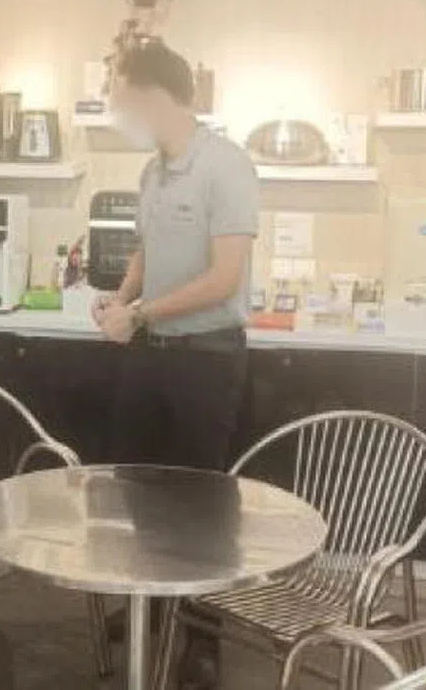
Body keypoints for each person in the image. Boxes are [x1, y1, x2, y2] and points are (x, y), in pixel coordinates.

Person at [92, 40, 258, 687]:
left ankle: (203, 637)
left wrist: (139, 313)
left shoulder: (226, 166)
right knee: (139, 494)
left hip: (206, 358)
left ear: (154, 96)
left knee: (200, 510)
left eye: (123, 99)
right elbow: (145, 248)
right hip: (150, 352)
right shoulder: (152, 172)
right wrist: (121, 299)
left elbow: (223, 278)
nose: (120, 113)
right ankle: (150, 610)